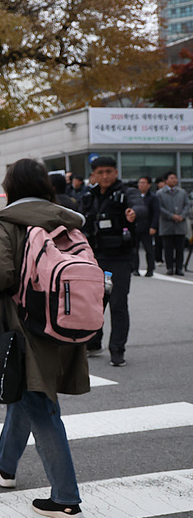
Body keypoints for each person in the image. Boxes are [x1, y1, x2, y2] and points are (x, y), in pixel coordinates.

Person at [0, 158, 91, 518]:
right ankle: (5, 464)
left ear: (11, 187)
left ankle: (66, 499)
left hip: (22, 326)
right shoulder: (65, 218)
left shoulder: (7, 221)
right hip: (63, 321)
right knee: (24, 393)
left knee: (39, 404)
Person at [79, 156, 144, 367]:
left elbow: (140, 206)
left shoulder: (126, 192)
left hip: (120, 257)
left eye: (109, 171)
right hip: (95, 257)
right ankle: (93, 342)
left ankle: (117, 348)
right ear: (94, 175)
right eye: (100, 172)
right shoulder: (89, 196)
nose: (105, 176)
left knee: (117, 303)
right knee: (95, 303)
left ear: (116, 172)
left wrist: (135, 213)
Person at [157, 171, 191, 276]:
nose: (174, 180)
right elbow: (159, 208)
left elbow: (187, 205)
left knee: (180, 248)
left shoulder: (182, 192)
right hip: (167, 225)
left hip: (180, 224)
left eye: (175, 178)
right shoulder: (160, 193)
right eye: (171, 178)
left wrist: (182, 215)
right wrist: (171, 215)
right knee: (168, 248)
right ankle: (170, 267)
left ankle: (179, 268)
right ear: (166, 180)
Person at [131, 176, 160, 276]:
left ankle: (150, 269)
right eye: (140, 183)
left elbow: (156, 212)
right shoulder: (134, 196)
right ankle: (135, 268)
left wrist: (153, 226)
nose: (141, 185)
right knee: (134, 249)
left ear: (148, 185)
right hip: (134, 226)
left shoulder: (153, 197)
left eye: (144, 183)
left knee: (149, 249)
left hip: (147, 227)